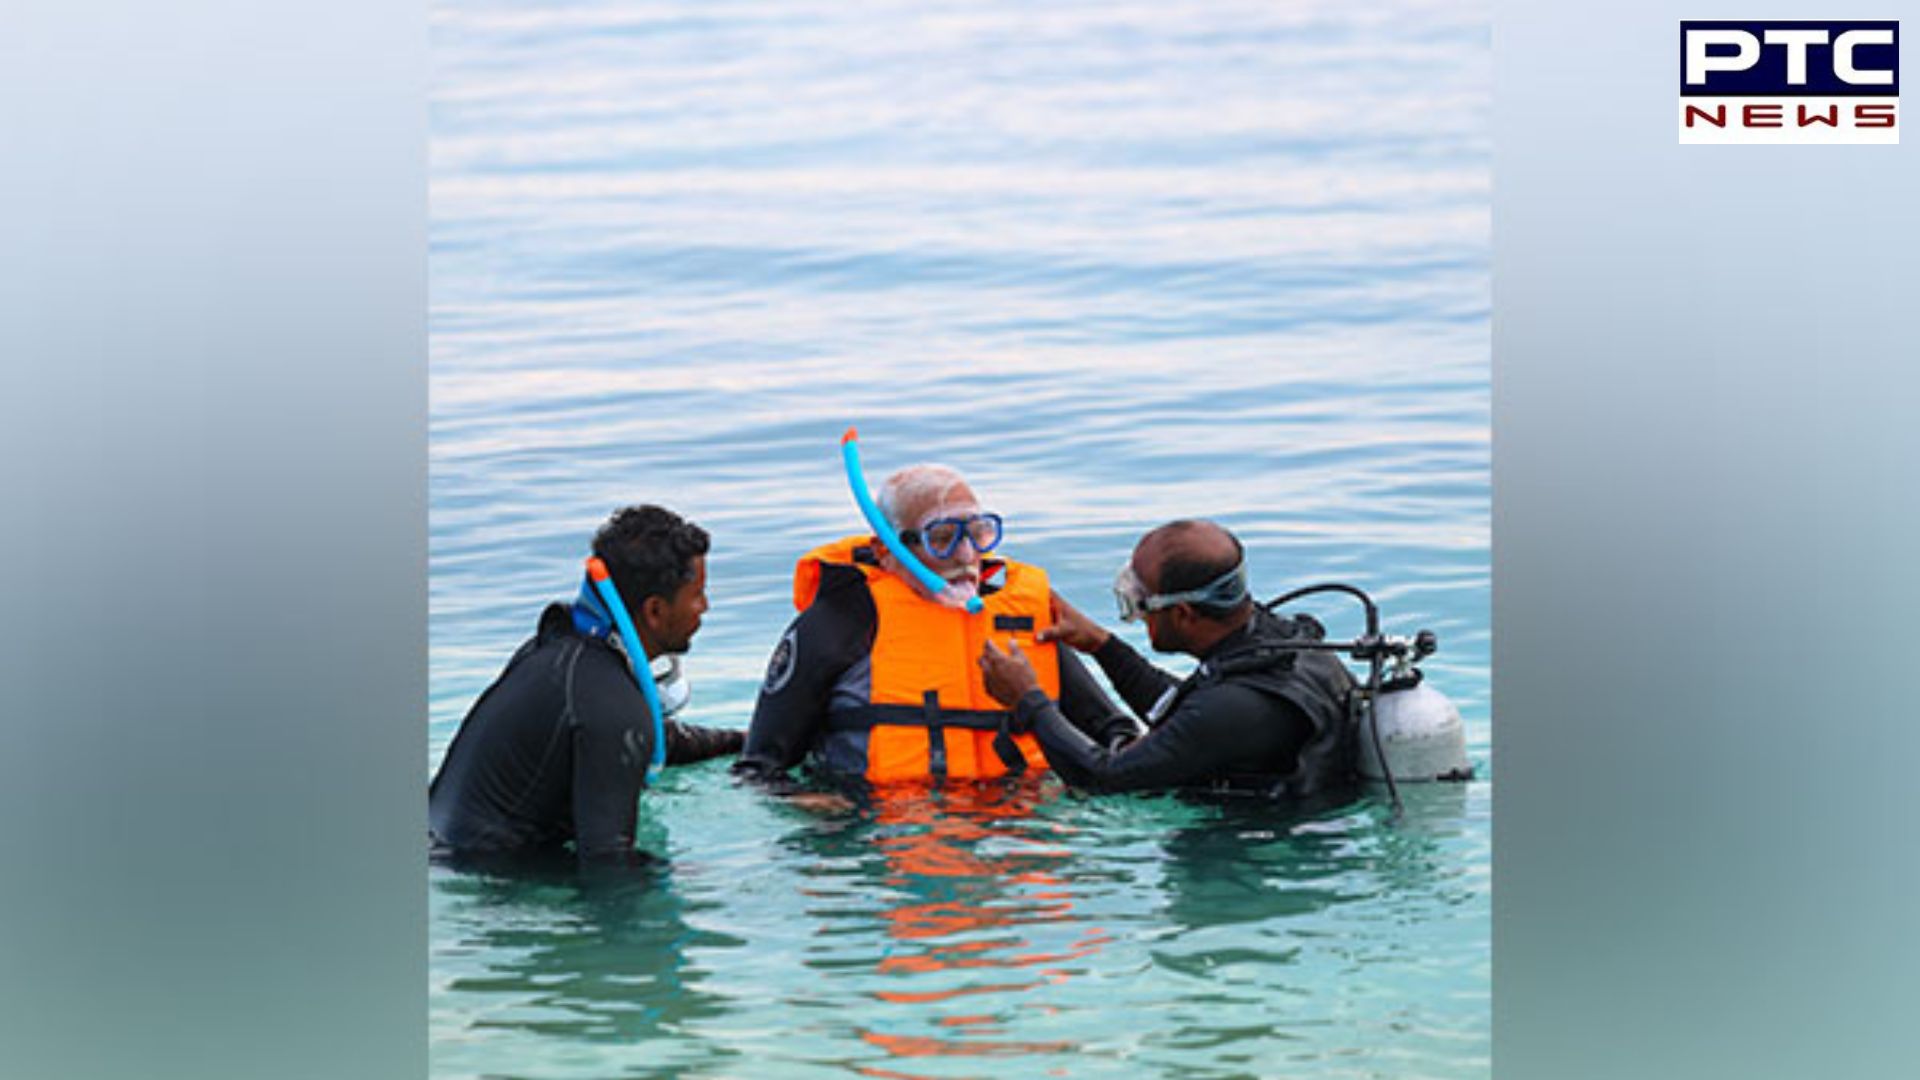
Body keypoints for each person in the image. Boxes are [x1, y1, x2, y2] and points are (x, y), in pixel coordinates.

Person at [734, 465, 1141, 788]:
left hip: (1018, 830)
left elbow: (1114, 732)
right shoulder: (839, 622)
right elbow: (757, 769)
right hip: (880, 837)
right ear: (885, 549)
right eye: (941, 538)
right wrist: (810, 805)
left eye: (979, 533)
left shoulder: (1021, 618)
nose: (966, 555)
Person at [430, 505, 743, 868]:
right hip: (485, 875)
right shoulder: (611, 702)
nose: (705, 607)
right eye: (698, 594)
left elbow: (647, 739)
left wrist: (740, 741)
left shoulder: (562, 656)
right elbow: (608, 867)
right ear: (655, 611)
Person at [977, 519, 1358, 799]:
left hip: (1256, 864)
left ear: (1183, 614)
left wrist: (1028, 700)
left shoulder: (1232, 707)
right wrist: (1102, 646)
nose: (1139, 616)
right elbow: (1182, 713)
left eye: (1139, 603)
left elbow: (1104, 778)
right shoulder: (1285, 646)